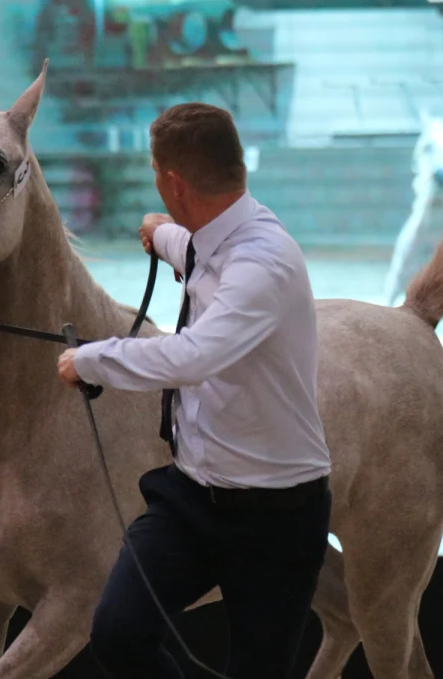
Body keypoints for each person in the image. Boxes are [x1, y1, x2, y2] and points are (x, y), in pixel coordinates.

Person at [57, 102, 332, 678]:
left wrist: (91, 359)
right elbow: (199, 251)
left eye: (159, 175)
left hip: (275, 517)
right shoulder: (214, 239)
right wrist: (162, 234)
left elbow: (195, 355)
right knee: (118, 633)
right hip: (190, 500)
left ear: (173, 182)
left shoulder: (262, 262)